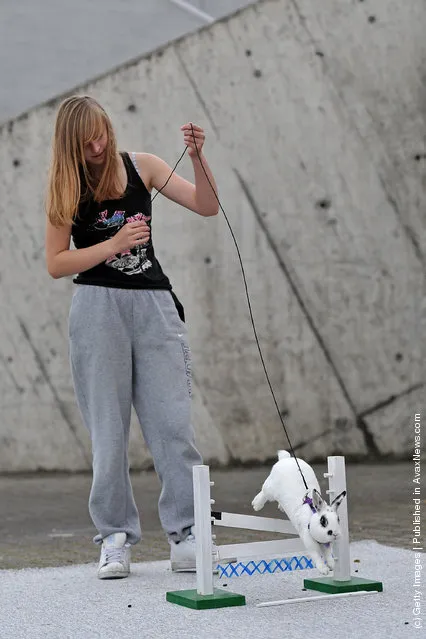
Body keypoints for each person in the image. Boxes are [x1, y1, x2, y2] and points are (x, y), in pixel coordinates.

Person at [45, 95, 219, 579]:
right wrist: (113, 245)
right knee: (108, 429)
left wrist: (200, 157)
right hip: (97, 308)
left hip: (154, 305)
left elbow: (206, 206)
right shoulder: (65, 186)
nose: (97, 146)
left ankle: (187, 535)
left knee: (173, 424)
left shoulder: (144, 166)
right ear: (70, 146)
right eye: (85, 143)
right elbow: (56, 262)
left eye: (101, 134)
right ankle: (115, 537)